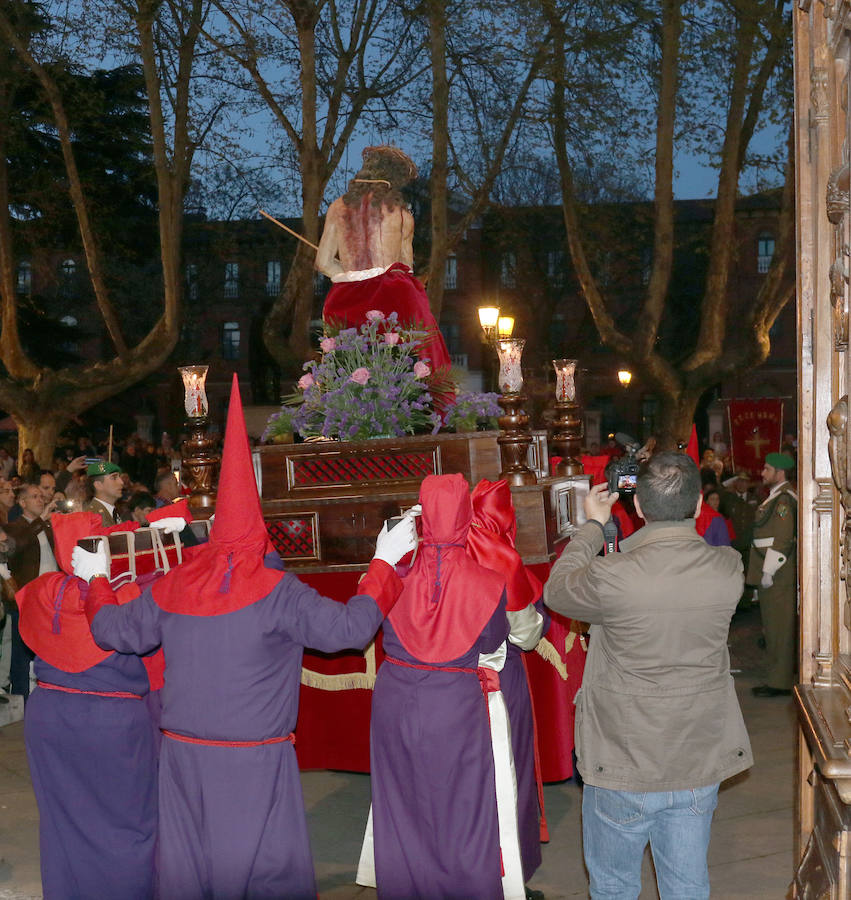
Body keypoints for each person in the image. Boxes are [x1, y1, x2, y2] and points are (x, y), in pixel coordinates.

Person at [73, 375, 417, 899]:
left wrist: (97, 580)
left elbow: (112, 630)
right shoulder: (277, 591)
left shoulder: (176, 582)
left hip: (183, 757)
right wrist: (384, 562)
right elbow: (349, 629)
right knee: (260, 873)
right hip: (252, 762)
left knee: (191, 871)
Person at [543, 452, 752, 899]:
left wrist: (593, 526)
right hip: (696, 756)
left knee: (614, 887)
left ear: (637, 506)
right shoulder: (728, 568)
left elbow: (557, 590)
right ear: (699, 504)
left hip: (623, 758)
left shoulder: (613, 575)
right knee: (687, 886)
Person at [367, 473, 525, 900]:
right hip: (454, 704)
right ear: (464, 516)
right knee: (465, 808)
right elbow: (491, 642)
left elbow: (368, 612)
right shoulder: (488, 581)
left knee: (401, 805)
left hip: (396, 699)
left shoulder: (393, 572)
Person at [17, 510, 158, 900]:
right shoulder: (124, 595)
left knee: (62, 823)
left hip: (49, 715)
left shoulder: (44, 589)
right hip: (112, 721)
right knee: (128, 823)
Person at [466, 478, 547, 897]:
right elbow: (526, 635)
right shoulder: (504, 559)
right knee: (509, 777)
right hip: (500, 682)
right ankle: (509, 880)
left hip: (450, 686)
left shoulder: (437, 555)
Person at [315, 145, 452, 381]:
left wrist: (353, 275)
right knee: (417, 363)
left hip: (345, 301)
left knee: (348, 374)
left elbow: (323, 263)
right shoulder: (402, 215)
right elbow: (406, 268)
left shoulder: (337, 208)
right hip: (393, 297)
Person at [748, 452, 798, 697]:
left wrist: (768, 570)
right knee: (772, 625)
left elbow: (783, 537)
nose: (762, 473)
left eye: (767, 469)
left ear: (780, 472)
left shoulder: (783, 501)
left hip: (777, 572)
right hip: (770, 570)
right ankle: (776, 677)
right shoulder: (776, 497)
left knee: (779, 627)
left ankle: (780, 682)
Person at [85, 460, 125, 525]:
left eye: (119, 477)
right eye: (114, 478)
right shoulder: (94, 517)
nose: (121, 482)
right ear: (98, 485)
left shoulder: (113, 512)